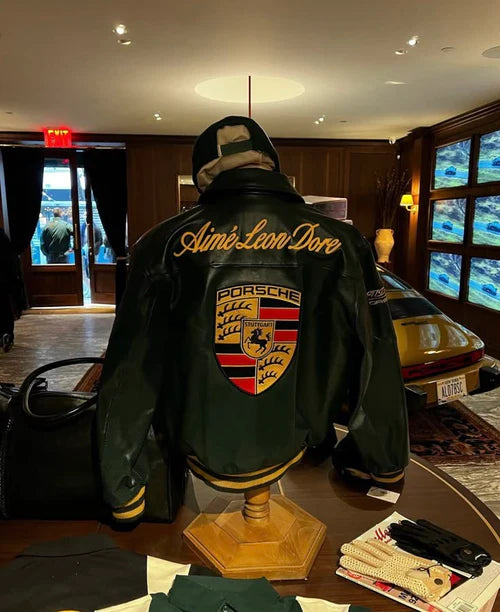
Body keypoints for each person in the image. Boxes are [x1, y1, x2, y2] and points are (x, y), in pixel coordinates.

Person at [97, 116, 409, 523]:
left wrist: (122, 482)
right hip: (299, 434)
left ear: (203, 174)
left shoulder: (161, 243)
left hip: (201, 437)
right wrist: (381, 459)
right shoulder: (344, 242)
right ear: (270, 165)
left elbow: (130, 366)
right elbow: (376, 353)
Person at [0, 228, 18, 351]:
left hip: (3, 279)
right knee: (4, 307)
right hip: (3, 280)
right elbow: (10, 260)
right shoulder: (2, 236)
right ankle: (7, 335)